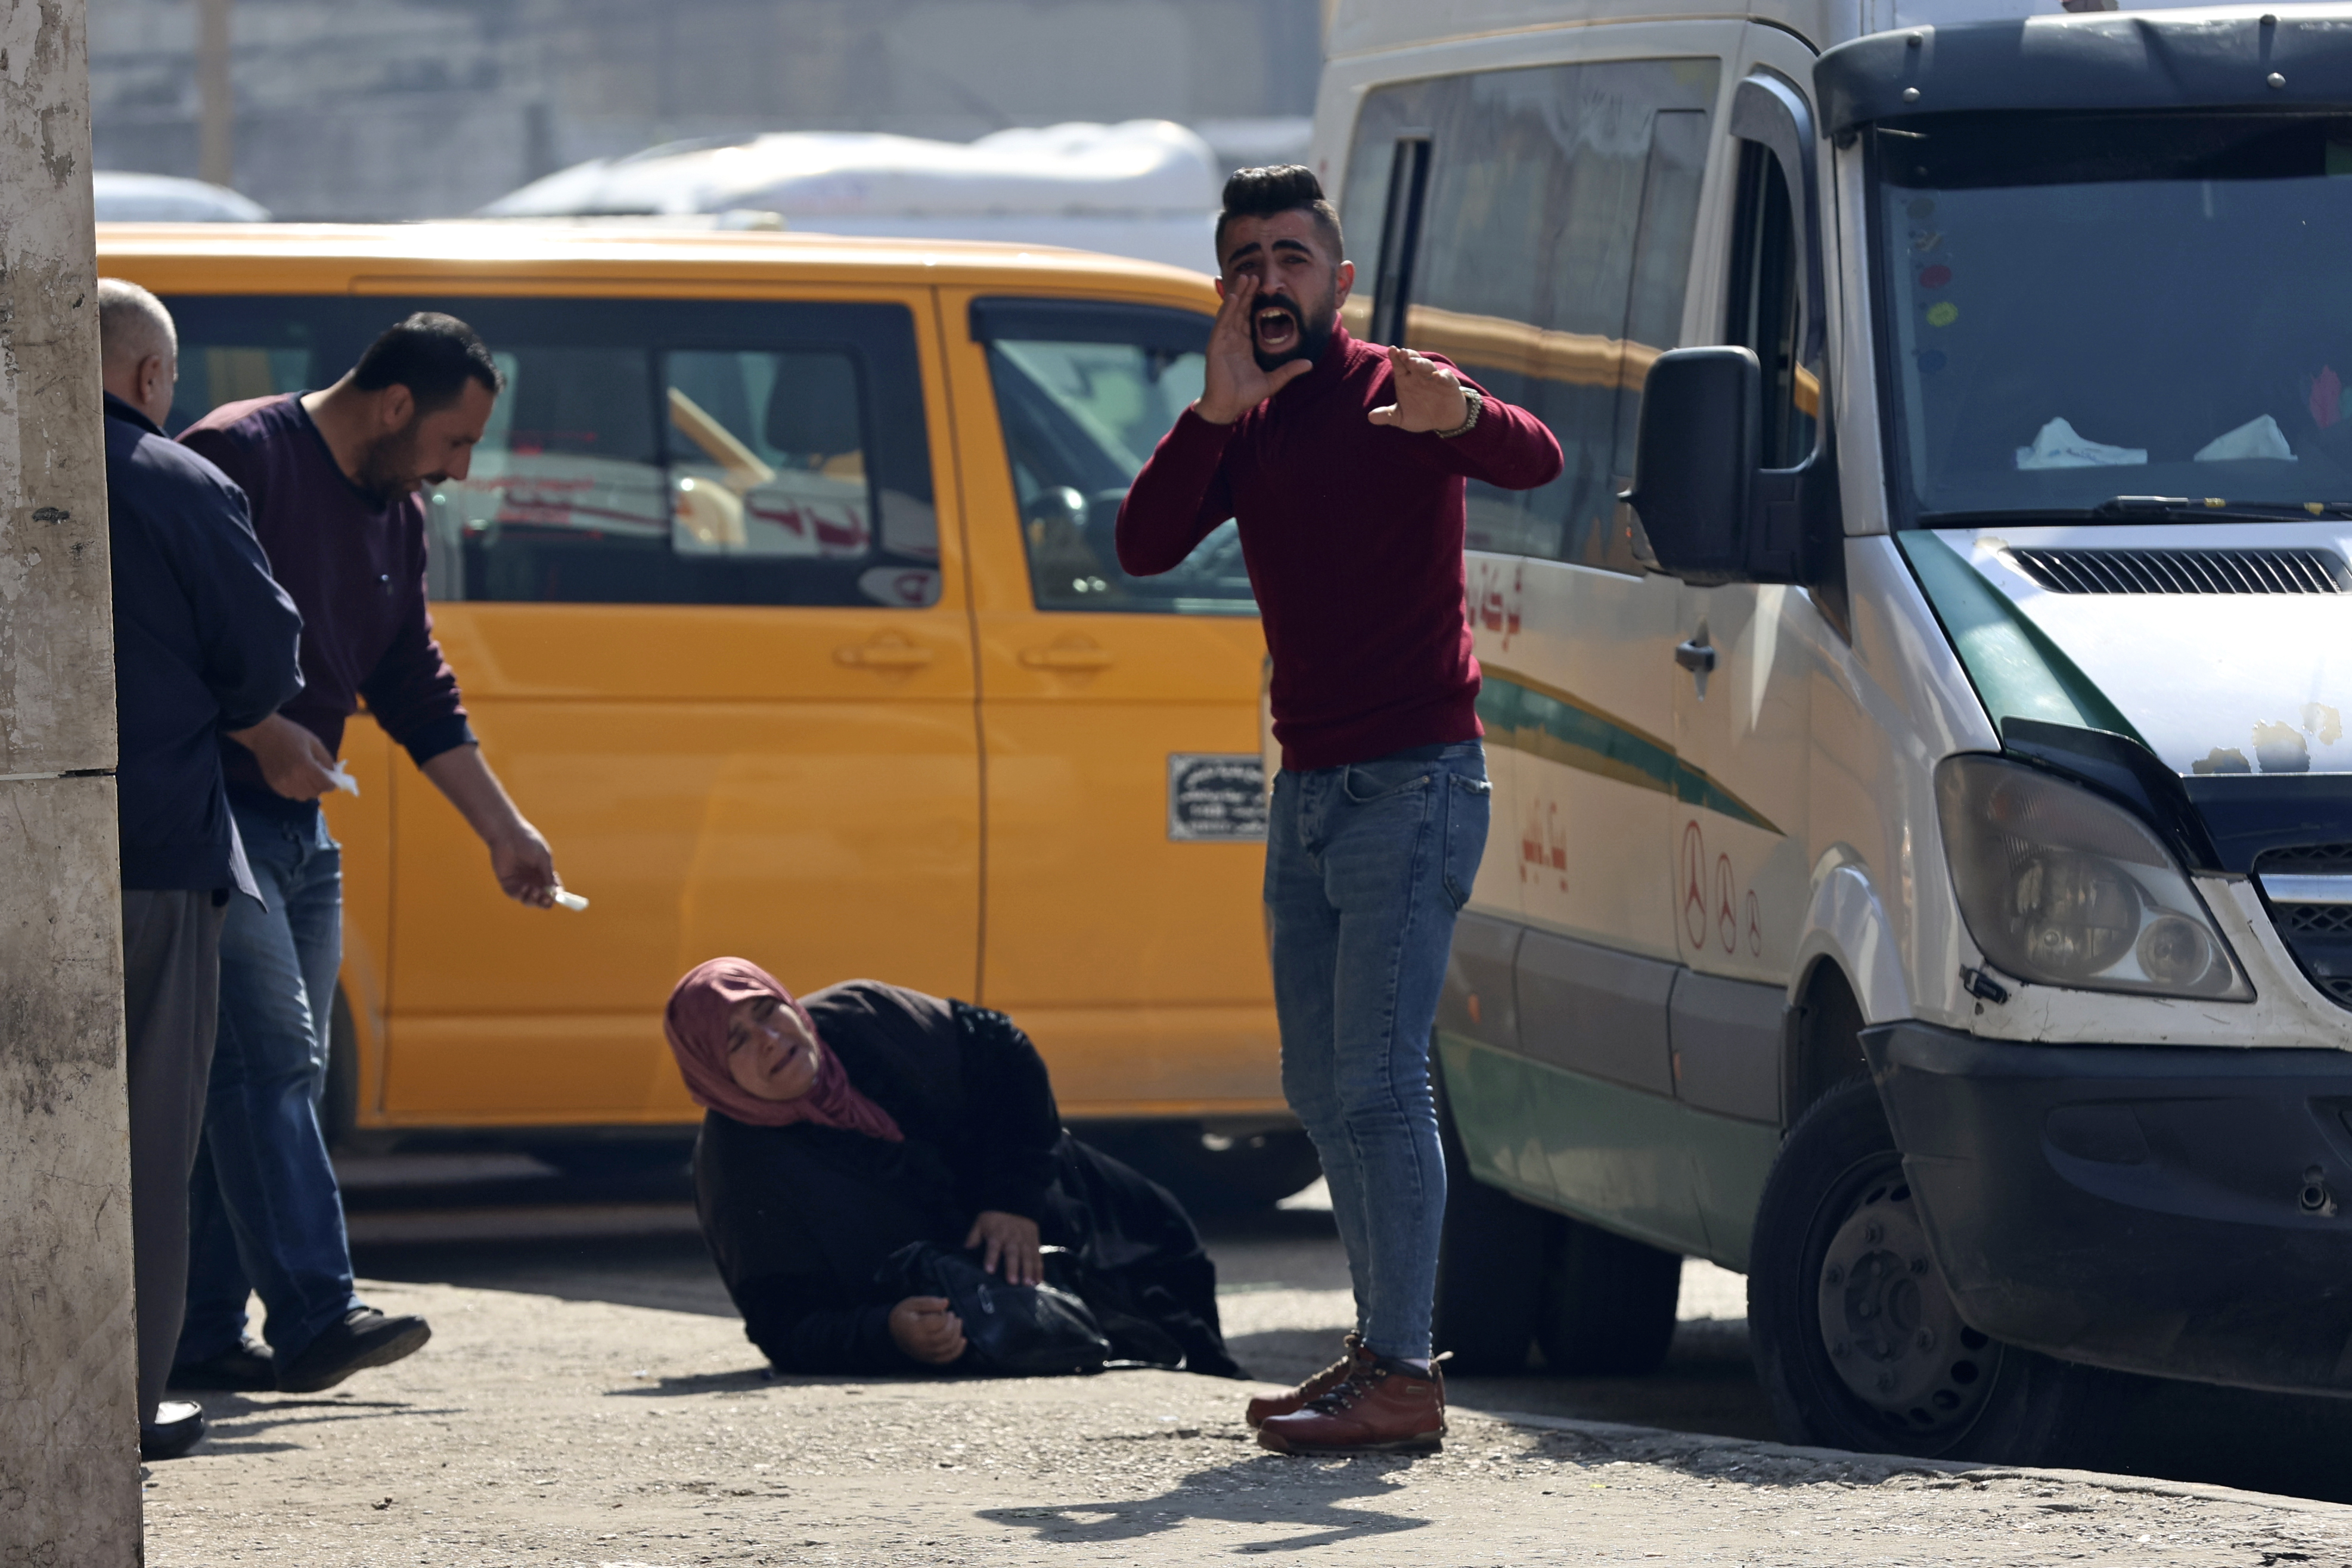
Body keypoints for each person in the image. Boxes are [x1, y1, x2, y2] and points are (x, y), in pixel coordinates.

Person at [1115, 166, 1563, 1455]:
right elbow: (1140, 544)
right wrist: (1210, 411)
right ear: (1223, 287)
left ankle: (1405, 1370)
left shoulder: (1394, 389)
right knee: (1316, 1084)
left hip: (1413, 780)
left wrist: (1462, 407)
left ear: (1338, 278)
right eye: (1247, 259)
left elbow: (1525, 454)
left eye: (1293, 256)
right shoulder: (1241, 420)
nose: (1271, 277)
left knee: (1376, 1080)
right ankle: (1375, 1349)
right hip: (1307, 788)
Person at [169, 313, 568, 1396]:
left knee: (239, 1082)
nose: (458, 470)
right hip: (216, 818)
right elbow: (155, 628)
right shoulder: (237, 457)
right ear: (396, 408)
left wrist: (505, 829)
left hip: (303, 836)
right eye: (456, 442)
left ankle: (200, 1336)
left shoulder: (398, 518)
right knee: (275, 1062)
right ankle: (317, 1311)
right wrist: (258, 728)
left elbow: (413, 684)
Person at [98, 280, 306, 1459]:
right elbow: (264, 663)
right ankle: (115, 1404)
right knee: (144, 1139)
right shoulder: (176, 481)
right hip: (149, 854)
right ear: (146, 377)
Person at [665, 958, 1241, 1378]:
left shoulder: (862, 1019)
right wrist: (887, 1332)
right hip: (972, 1320)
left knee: (1157, 1235)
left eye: (769, 1012)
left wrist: (1013, 1200)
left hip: (1038, 1206)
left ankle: (1217, 1377)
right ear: (714, 1073)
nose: (769, 1039)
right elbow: (782, 1324)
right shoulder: (737, 1167)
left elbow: (1004, 1051)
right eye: (738, 1041)